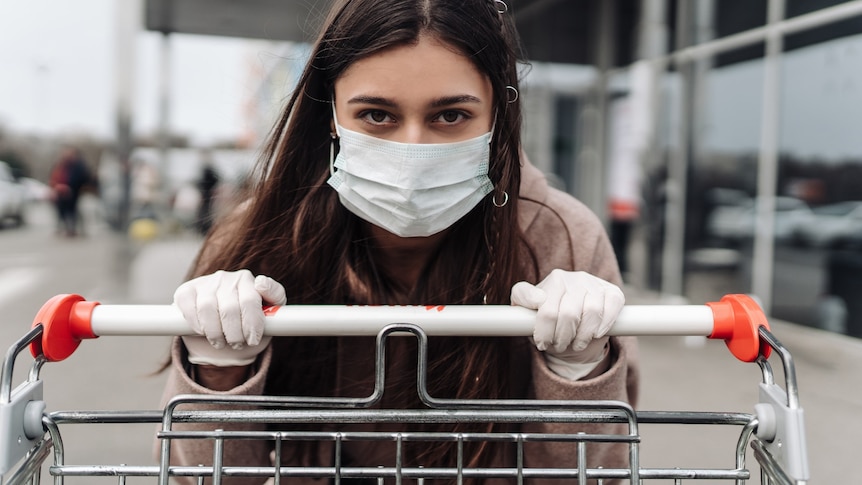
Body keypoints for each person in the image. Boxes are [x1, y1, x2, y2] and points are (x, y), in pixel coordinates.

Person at [160, 0, 638, 483]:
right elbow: (205, 476)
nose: (413, 148)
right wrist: (219, 367)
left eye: (450, 116)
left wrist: (578, 367)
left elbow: (591, 475)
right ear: (330, 112)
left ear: (497, 112)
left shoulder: (561, 235)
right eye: (376, 114)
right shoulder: (261, 233)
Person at [49, 146, 91, 237]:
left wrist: (71, 187)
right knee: (63, 210)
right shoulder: (61, 165)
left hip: (75, 191)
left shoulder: (79, 165)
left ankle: (75, 229)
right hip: (62, 191)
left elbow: (84, 178)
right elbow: (55, 176)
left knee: (74, 211)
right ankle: (67, 228)